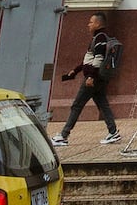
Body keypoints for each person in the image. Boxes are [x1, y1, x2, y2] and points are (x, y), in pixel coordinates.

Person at [50, 12, 119, 146]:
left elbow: (98, 59)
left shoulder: (100, 38)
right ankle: (113, 132)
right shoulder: (100, 38)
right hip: (99, 79)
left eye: (91, 22)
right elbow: (88, 60)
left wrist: (90, 76)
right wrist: (75, 71)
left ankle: (63, 135)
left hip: (93, 79)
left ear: (98, 24)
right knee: (103, 104)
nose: (89, 25)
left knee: (77, 105)